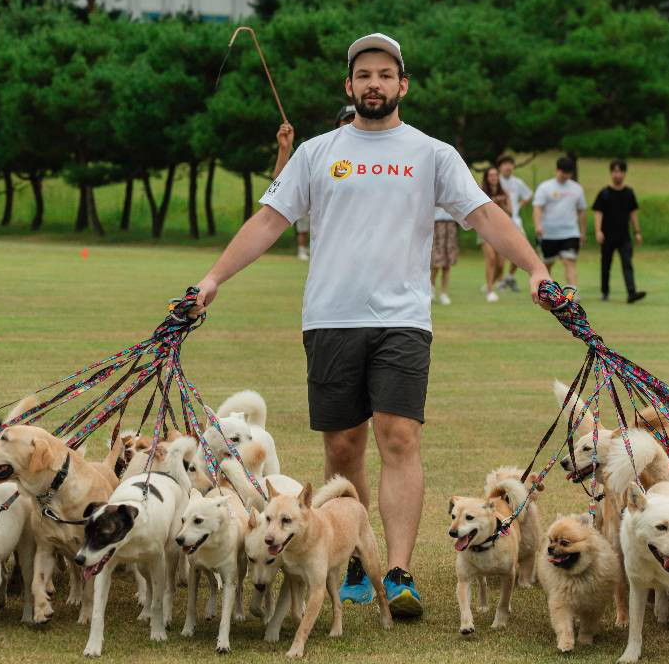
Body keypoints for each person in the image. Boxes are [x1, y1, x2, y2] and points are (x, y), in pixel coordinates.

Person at [193, 33, 550, 619]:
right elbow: (268, 221)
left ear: (402, 84)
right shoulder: (316, 152)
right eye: (365, 75)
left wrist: (535, 267)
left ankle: (402, 570)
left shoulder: (432, 153)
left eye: (386, 74)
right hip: (330, 318)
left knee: (400, 438)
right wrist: (212, 279)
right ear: (350, 86)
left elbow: (484, 214)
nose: (375, 84)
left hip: (403, 320)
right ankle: (356, 557)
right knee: (342, 444)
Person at [277, 105, 356, 261]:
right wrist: (284, 150)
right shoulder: (320, 152)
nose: (351, 124)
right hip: (329, 257)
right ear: (337, 124)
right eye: (347, 120)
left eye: (355, 119)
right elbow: (280, 185)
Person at [593, 159, 646, 303]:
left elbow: (633, 213)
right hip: (607, 235)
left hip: (624, 236)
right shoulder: (604, 193)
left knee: (627, 263)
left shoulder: (629, 193)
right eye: (615, 171)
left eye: (620, 171)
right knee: (606, 264)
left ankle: (631, 292)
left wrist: (637, 232)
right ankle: (605, 292)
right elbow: (598, 213)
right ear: (611, 173)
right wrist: (598, 231)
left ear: (624, 173)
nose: (618, 175)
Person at [532, 157, 587, 288]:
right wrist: (538, 225)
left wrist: (582, 232)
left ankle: (572, 293)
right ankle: (546, 292)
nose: (566, 175)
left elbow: (581, 211)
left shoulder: (577, 189)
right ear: (557, 170)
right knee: (547, 264)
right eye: (563, 172)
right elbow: (537, 208)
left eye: (569, 173)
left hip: (570, 232)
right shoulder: (545, 187)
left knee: (569, 261)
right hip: (549, 233)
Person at [496, 154, 531, 292]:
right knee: (499, 255)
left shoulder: (517, 182)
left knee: (522, 250)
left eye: (510, 164)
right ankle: (496, 282)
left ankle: (509, 277)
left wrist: (519, 205)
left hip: (514, 220)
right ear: (500, 167)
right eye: (505, 164)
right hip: (497, 222)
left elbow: (528, 195)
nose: (508, 167)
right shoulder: (495, 181)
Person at [477, 165, 510, 302]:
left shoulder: (504, 192)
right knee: (490, 259)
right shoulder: (480, 192)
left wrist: (503, 202)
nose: (493, 178)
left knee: (501, 264)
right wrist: (493, 203)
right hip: (485, 230)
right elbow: (479, 212)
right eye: (491, 175)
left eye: (495, 175)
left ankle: (489, 283)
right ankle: (490, 291)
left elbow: (510, 212)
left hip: (501, 231)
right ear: (486, 177)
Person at [430, 207, 457, 305]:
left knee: (447, 264)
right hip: (436, 224)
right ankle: (431, 287)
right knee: (436, 263)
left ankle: (443, 293)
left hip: (450, 224)